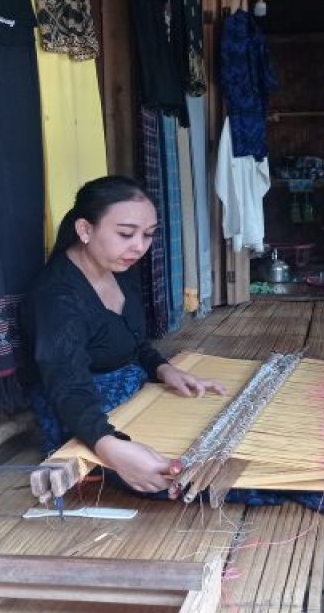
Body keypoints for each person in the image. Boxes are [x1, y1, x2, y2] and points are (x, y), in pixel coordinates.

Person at [22, 176, 225, 494]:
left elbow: (134, 342)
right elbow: (67, 385)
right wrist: (112, 448)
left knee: (222, 438)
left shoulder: (120, 269)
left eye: (147, 235)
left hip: (136, 399)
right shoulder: (57, 298)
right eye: (126, 234)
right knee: (193, 475)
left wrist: (164, 369)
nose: (139, 247)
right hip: (84, 419)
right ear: (85, 230)